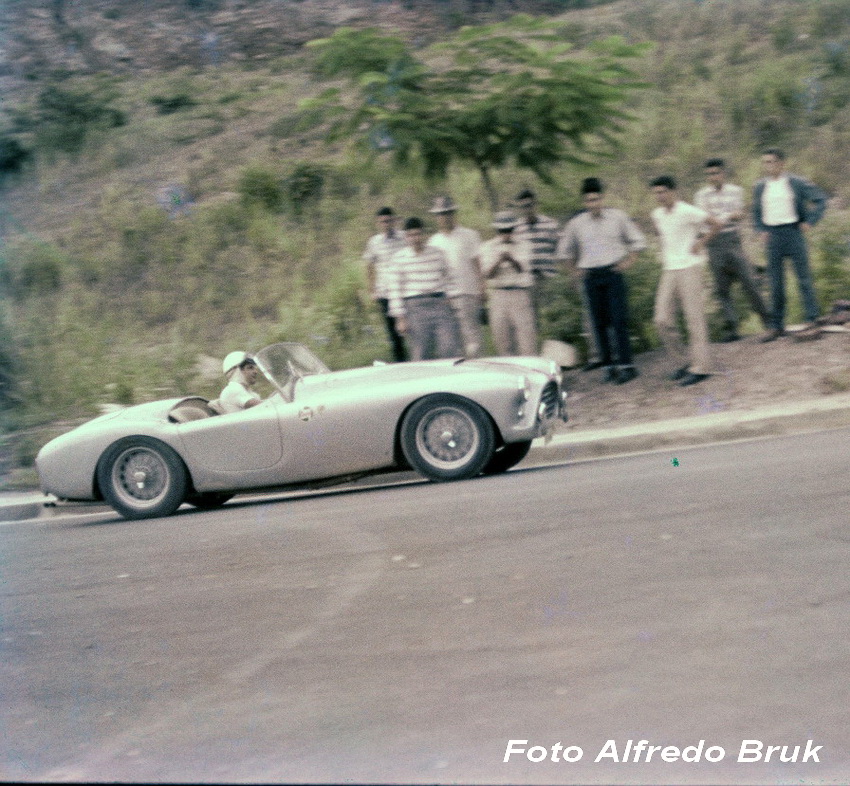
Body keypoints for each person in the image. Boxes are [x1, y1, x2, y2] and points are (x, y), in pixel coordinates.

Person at [559, 177, 646, 384]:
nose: (593, 204)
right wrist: (575, 271)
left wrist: (627, 262)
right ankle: (609, 366)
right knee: (599, 323)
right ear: (584, 201)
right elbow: (564, 251)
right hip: (591, 276)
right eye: (589, 201)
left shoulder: (617, 217)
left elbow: (638, 241)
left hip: (613, 273)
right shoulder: (577, 224)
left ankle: (627, 365)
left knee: (618, 320)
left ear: (602, 198)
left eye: (596, 199)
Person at [514, 187, 601, 366]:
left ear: (535, 204)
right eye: (523, 207)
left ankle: (561, 360)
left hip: (549, 279)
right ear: (520, 208)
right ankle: (535, 362)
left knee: (555, 320)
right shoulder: (517, 228)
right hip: (526, 281)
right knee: (530, 323)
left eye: (530, 205)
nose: (527, 209)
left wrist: (570, 274)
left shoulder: (549, 224)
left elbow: (563, 250)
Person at [752, 148, 828, 342]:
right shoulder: (760, 186)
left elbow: (821, 200)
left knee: (803, 278)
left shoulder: (795, 182)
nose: (768, 166)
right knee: (776, 283)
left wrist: (809, 221)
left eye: (771, 162)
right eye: (765, 162)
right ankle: (776, 326)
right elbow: (756, 211)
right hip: (773, 237)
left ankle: (812, 319)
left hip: (793, 233)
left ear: (781, 163)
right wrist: (760, 229)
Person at [650, 176, 719, 387]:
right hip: (669, 268)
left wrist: (700, 242)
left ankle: (701, 367)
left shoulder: (687, 210)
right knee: (661, 318)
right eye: (656, 193)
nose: (659, 196)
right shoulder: (657, 215)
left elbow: (715, 224)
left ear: (672, 191)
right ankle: (683, 361)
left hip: (690, 266)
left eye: (663, 192)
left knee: (693, 318)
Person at [695, 159, 771, 342]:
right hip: (713, 243)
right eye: (709, 174)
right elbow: (704, 217)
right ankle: (731, 329)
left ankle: (768, 322)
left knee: (750, 282)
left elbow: (739, 214)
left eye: (715, 173)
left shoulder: (735, 191)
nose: (712, 177)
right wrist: (725, 217)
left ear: (723, 173)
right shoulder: (701, 195)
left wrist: (725, 216)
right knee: (722, 289)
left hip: (732, 240)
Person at [386, 217, 462, 361]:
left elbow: (450, 277)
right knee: (421, 351)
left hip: (439, 303)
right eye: (411, 235)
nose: (415, 238)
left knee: (449, 347)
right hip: (415, 307)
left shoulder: (437, 253)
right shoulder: (399, 258)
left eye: (418, 234)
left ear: (424, 234)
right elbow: (395, 290)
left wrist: (451, 298)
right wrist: (400, 318)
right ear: (406, 237)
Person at [427, 196, 485, 357]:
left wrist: (482, 286)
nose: (444, 217)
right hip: (445, 296)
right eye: (440, 214)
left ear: (454, 213)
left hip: (467, 291)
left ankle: (479, 368)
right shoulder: (433, 242)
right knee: (452, 338)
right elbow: (435, 272)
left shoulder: (469, 235)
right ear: (436, 217)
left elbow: (477, 262)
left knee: (472, 336)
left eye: (447, 213)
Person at [479, 211, 537, 356]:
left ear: (514, 229)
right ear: (497, 230)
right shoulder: (488, 246)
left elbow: (523, 269)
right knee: (502, 339)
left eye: (509, 230)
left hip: (519, 293)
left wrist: (511, 259)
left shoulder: (524, 245)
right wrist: (499, 260)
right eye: (502, 230)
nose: (506, 234)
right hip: (499, 294)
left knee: (526, 340)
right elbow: (487, 274)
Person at [363, 206, 408, 361]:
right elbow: (369, 266)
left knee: (411, 329)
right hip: (385, 293)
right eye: (382, 222)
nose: (386, 224)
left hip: (405, 290)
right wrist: (372, 290)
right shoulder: (374, 242)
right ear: (378, 223)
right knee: (393, 334)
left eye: (388, 221)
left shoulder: (403, 237)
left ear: (393, 221)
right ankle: (402, 365)